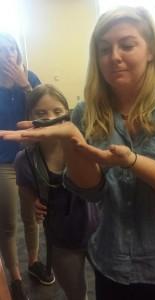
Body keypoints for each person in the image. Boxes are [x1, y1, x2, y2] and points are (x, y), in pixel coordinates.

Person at [1, 6, 155, 300]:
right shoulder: (85, 112)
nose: (114, 56)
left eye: (127, 45)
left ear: (151, 50)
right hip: (112, 265)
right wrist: (73, 142)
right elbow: (91, 191)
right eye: (104, 49)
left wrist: (132, 161)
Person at [14, 84, 98, 300]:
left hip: (101, 233)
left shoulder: (85, 144)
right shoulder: (25, 160)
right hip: (63, 239)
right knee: (76, 294)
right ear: (30, 117)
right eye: (41, 113)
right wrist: (34, 202)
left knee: (112, 289)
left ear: (67, 114)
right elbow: (25, 191)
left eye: (57, 112)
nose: (50, 118)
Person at [0, 33, 54, 300]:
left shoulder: (29, 78)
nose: (10, 54)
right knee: (8, 224)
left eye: (13, 49)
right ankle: (16, 277)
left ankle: (33, 262)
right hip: (4, 163)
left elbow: (48, 111)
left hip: (32, 159)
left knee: (32, 216)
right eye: (3, 49)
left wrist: (25, 85)